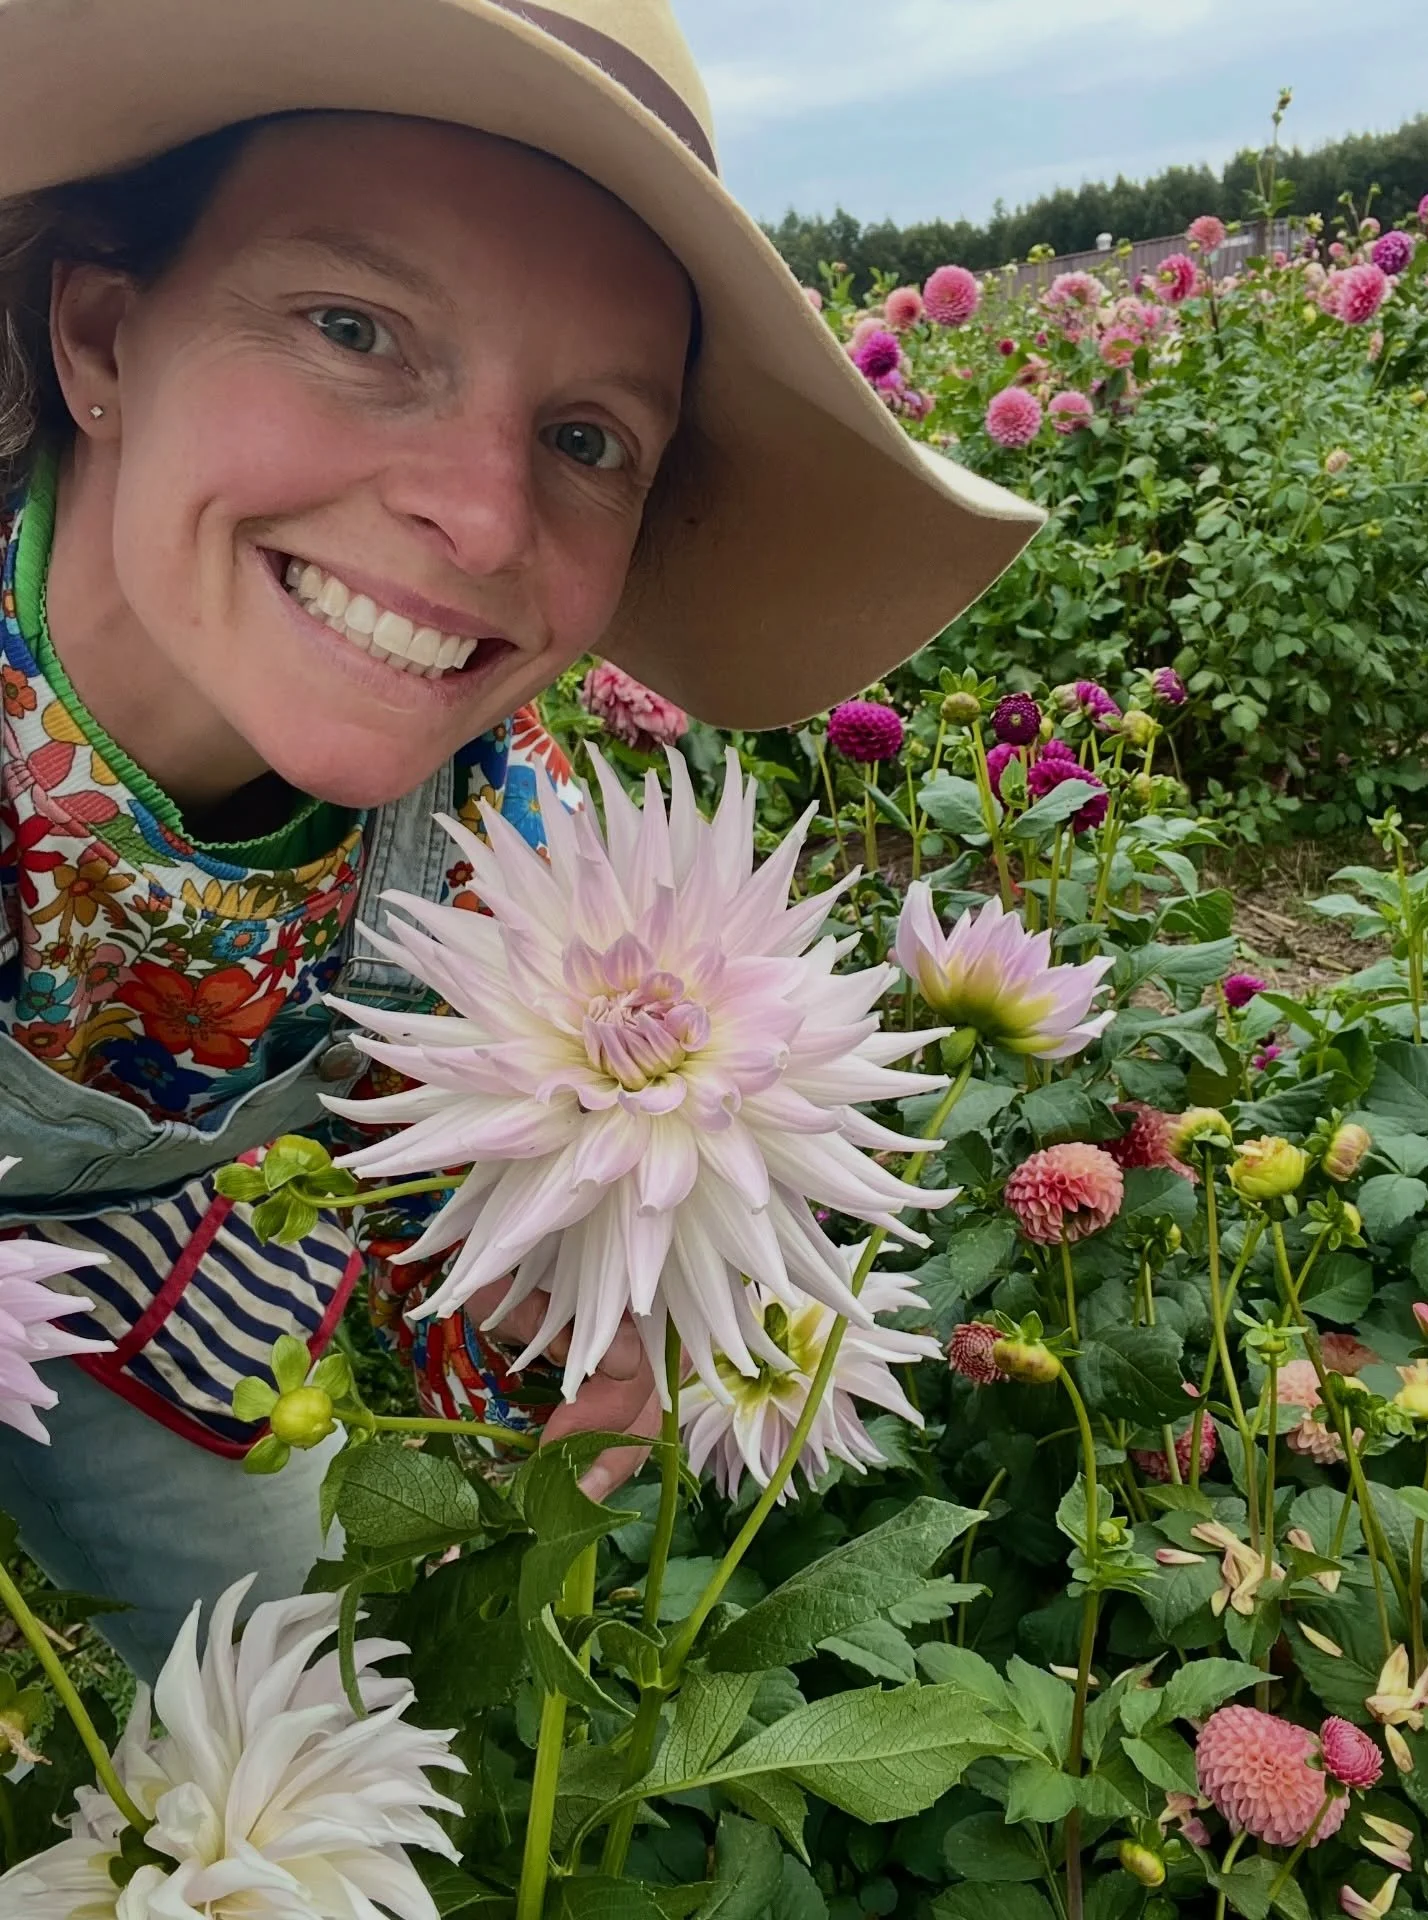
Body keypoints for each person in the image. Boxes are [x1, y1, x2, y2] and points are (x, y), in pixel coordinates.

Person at [0, 0, 1043, 1680]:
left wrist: (591, 1299)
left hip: (163, 1294)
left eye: (585, 440)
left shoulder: (513, 839)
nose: (481, 516)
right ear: (104, 338)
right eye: (356, 325)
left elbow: (495, 1180)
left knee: (275, 1677)